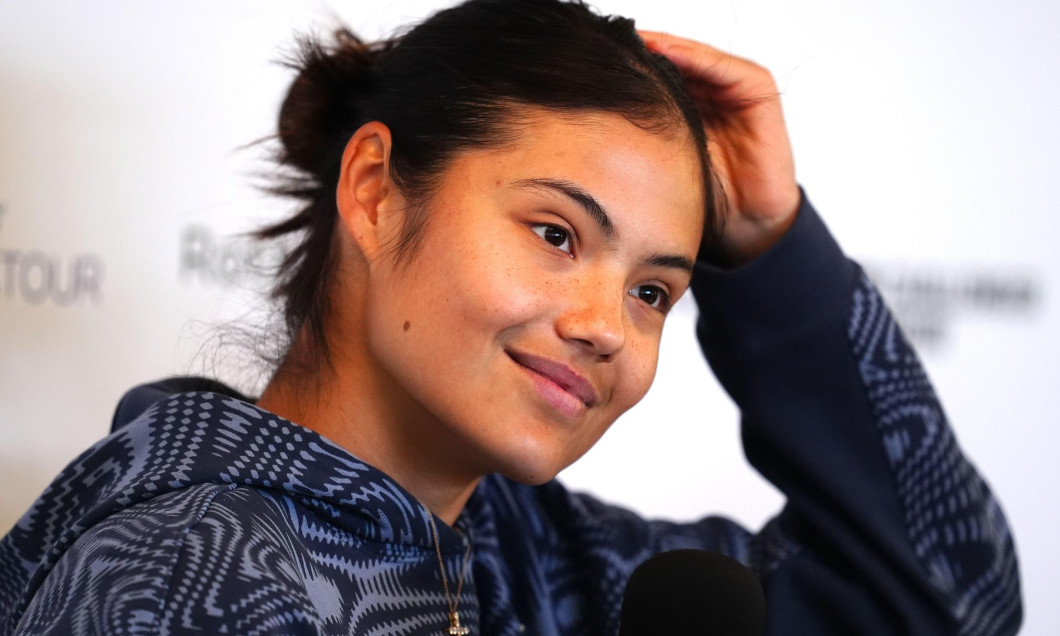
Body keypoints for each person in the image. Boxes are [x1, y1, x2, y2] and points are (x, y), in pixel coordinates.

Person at [0, 0, 1022, 634]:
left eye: (653, 290)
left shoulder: (530, 559)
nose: (607, 327)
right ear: (372, 192)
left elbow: (945, 595)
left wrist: (771, 242)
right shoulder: (182, 578)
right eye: (556, 234)